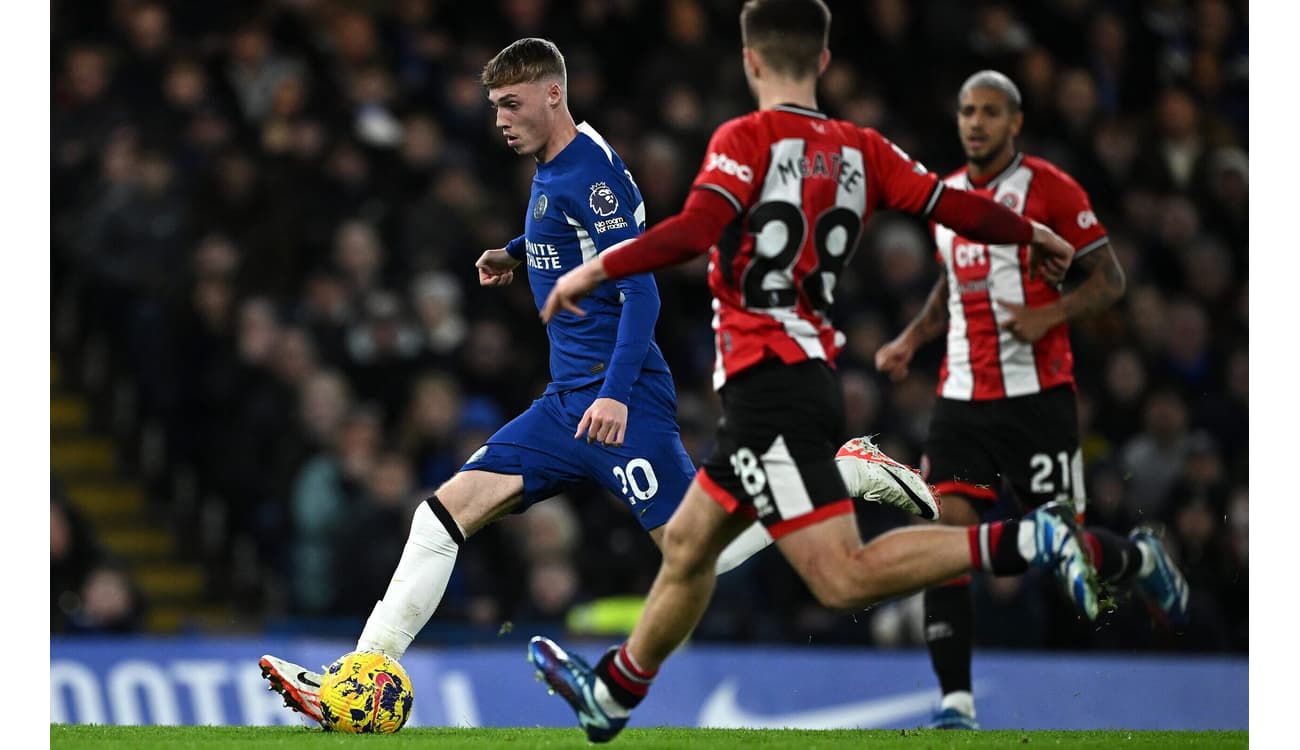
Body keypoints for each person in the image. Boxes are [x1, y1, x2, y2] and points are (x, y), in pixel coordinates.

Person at [256, 36, 931, 727]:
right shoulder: (556, 165)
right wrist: (519, 254)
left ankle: (841, 470)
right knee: (443, 513)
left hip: (622, 396)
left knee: (696, 553)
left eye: (511, 104)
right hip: (565, 402)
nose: (500, 120)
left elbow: (642, 295)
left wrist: (612, 393)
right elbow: (575, 238)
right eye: (494, 107)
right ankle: (360, 682)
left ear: (554, 94)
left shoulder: (594, 177)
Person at [526, 2, 1099, 743]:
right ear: (823, 61)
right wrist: (1034, 231)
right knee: (689, 545)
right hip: (795, 376)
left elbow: (695, 232)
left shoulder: (745, 137)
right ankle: (614, 693)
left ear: (751, 60)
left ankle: (1029, 541)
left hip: (771, 383)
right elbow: (956, 205)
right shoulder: (863, 149)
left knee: (840, 577)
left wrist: (594, 268)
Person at [872, 69, 1191, 730]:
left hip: (1038, 398)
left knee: (1060, 547)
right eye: (966, 110)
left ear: (1015, 122)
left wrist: (1052, 315)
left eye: (990, 111)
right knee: (945, 538)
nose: (975, 123)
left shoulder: (1051, 188)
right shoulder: (948, 196)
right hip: (959, 399)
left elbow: (1111, 278)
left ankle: (1140, 557)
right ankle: (955, 703)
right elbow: (949, 286)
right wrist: (911, 338)